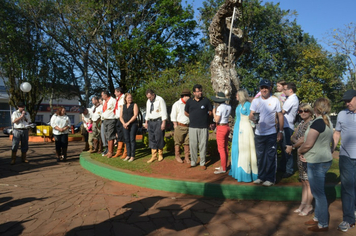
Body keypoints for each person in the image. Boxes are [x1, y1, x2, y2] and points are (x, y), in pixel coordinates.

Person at [298, 98, 333, 232]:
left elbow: (308, 144)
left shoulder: (318, 122)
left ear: (316, 108)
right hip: (321, 160)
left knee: (319, 194)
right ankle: (317, 217)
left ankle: (323, 224)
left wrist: (300, 150)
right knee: (318, 192)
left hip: (317, 163)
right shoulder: (327, 120)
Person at [249, 79, 284, 187]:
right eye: (262, 87)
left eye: (266, 87)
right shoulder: (255, 101)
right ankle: (261, 176)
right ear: (260, 89)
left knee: (270, 156)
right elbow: (251, 114)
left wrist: (280, 131)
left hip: (271, 133)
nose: (264, 90)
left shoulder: (275, 100)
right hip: (259, 133)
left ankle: (270, 179)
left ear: (270, 88)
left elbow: (280, 116)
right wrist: (252, 119)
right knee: (260, 156)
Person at [333, 89, 356, 232]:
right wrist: (332, 148)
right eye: (345, 101)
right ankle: (348, 219)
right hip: (346, 157)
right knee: (347, 188)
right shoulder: (342, 114)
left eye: (350, 100)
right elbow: (337, 133)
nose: (347, 103)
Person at [286, 104, 314, 216]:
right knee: (303, 180)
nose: (303, 113)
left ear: (310, 112)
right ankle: (303, 204)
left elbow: (305, 140)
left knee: (308, 182)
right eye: (300, 111)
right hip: (300, 154)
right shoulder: (301, 123)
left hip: (307, 155)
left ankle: (309, 205)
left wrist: (295, 144)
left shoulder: (311, 124)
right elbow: (293, 137)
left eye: (305, 111)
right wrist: (298, 141)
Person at [230, 89, 258, 182]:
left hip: (245, 128)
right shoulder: (239, 106)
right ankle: (237, 171)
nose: (236, 97)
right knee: (237, 149)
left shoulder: (247, 105)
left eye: (237, 95)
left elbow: (252, 117)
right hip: (238, 128)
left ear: (241, 95)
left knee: (245, 149)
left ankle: (246, 173)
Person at [185, 84, 213, 170]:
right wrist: (193, 117)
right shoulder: (189, 101)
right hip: (193, 127)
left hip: (203, 126)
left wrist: (207, 120)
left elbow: (210, 112)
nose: (200, 93)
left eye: (201, 91)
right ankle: (193, 162)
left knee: (203, 145)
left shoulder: (206, 101)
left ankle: (202, 163)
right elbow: (186, 112)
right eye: (198, 91)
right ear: (194, 93)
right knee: (193, 145)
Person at [280, 82, 299, 178]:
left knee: (287, 149)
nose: (284, 91)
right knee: (284, 148)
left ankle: (289, 170)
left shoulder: (291, 99)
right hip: (286, 126)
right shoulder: (291, 99)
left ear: (290, 90)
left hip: (288, 127)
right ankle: (284, 167)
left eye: (285, 89)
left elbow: (282, 112)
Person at [144, 89, 168, 163]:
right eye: (148, 97)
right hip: (150, 121)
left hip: (158, 121)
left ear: (153, 95)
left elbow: (164, 112)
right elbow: (147, 112)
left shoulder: (160, 100)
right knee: (151, 138)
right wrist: (146, 122)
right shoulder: (148, 102)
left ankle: (160, 154)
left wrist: (163, 123)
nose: (149, 99)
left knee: (159, 137)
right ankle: (154, 156)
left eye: (150, 97)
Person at [212, 92, 231, 174]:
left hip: (221, 127)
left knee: (221, 148)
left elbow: (216, 120)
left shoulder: (220, 108)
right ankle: (224, 165)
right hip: (226, 126)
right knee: (225, 147)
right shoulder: (229, 107)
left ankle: (223, 167)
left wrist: (213, 112)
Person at [170, 88, 191, 164]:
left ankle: (186, 157)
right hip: (180, 126)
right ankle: (177, 156)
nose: (190, 98)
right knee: (178, 142)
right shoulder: (177, 104)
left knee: (187, 142)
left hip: (188, 126)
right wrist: (175, 125)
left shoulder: (190, 104)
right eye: (188, 96)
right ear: (184, 96)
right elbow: (173, 115)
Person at [120, 93, 139, 162]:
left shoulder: (134, 105)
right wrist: (124, 124)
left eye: (131, 97)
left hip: (133, 124)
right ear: (125, 99)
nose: (130, 99)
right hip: (125, 125)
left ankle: (132, 156)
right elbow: (120, 117)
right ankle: (128, 155)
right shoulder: (123, 106)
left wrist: (128, 123)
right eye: (128, 98)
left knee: (132, 139)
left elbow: (135, 115)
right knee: (127, 140)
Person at [101, 90, 117, 158]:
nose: (101, 97)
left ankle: (111, 151)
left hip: (111, 119)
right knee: (107, 135)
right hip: (105, 119)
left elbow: (116, 108)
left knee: (111, 135)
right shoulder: (104, 101)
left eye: (102, 95)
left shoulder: (113, 100)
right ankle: (108, 151)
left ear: (106, 95)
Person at [112, 87, 127, 159]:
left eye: (115, 92)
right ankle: (119, 151)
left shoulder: (124, 98)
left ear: (119, 92)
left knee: (125, 135)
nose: (114, 93)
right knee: (120, 135)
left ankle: (126, 152)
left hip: (123, 119)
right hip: (118, 118)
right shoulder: (118, 99)